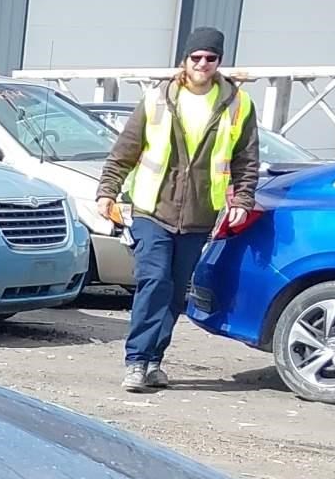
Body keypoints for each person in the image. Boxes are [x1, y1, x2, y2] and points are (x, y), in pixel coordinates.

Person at [95, 28, 260, 394]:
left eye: (211, 58)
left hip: (200, 214)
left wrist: (243, 199)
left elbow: (247, 160)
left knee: (174, 291)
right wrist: (107, 192)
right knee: (153, 282)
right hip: (152, 208)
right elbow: (124, 152)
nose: (203, 64)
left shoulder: (238, 104)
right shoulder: (157, 99)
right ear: (184, 60)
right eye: (196, 57)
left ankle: (155, 360)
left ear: (219, 62)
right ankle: (136, 361)